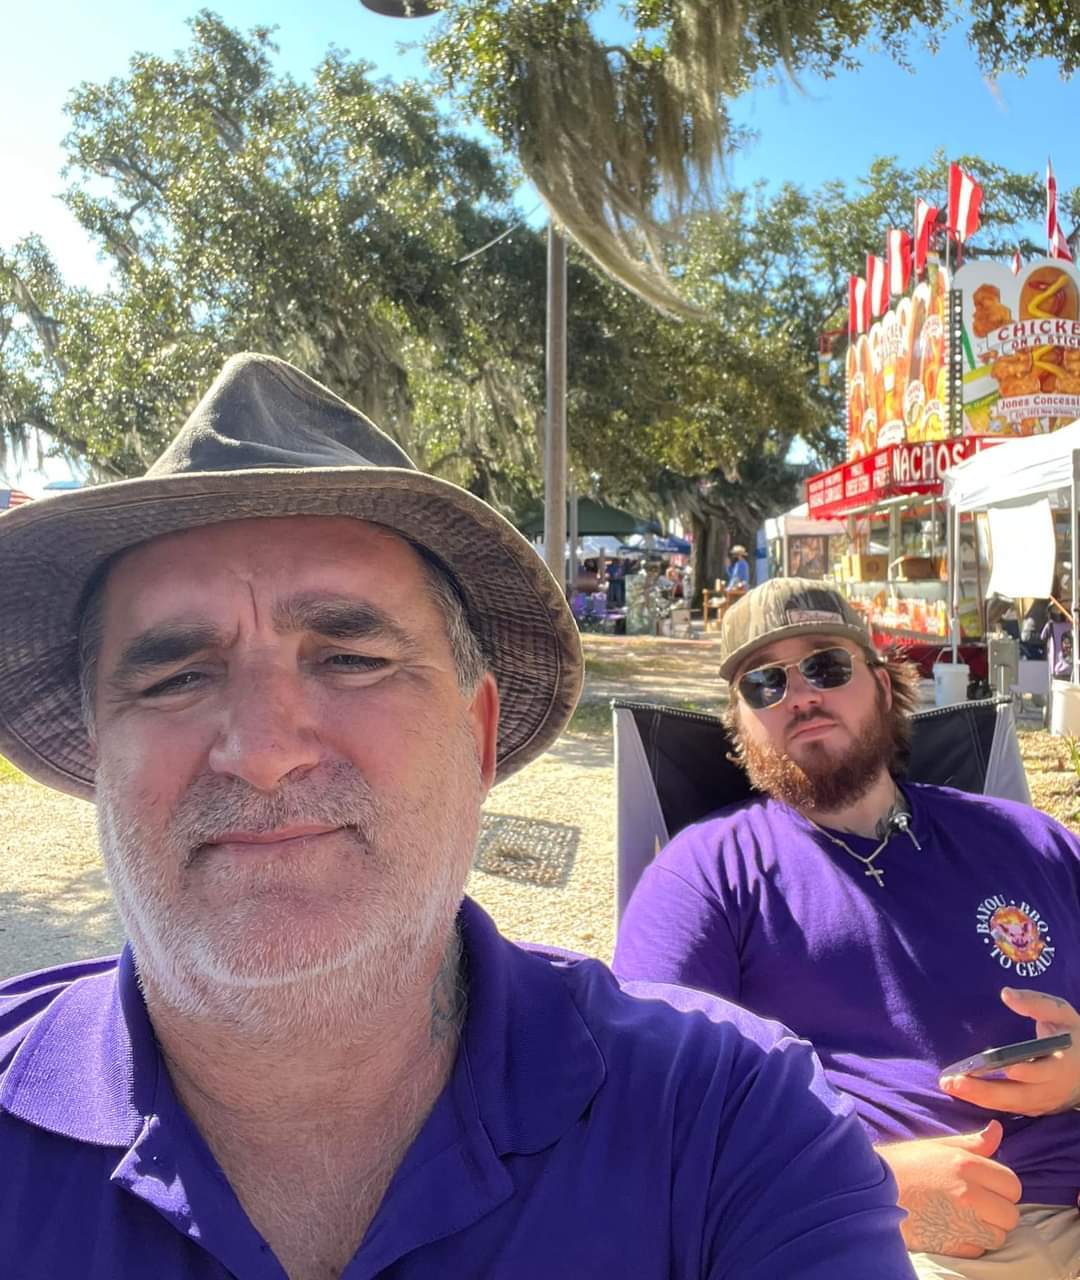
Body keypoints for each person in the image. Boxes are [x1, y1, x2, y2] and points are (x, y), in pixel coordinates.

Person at [0, 356, 911, 1279]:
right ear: (98, 750)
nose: (263, 750)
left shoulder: (730, 1121)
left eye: (351, 659)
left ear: (475, 735)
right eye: (175, 677)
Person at [615, 576, 1080, 1278]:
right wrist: (867, 1185)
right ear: (740, 727)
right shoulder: (706, 872)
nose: (800, 696)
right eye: (763, 684)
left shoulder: (1029, 840)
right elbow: (648, 1109)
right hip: (891, 1239)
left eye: (827, 666)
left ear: (884, 686)